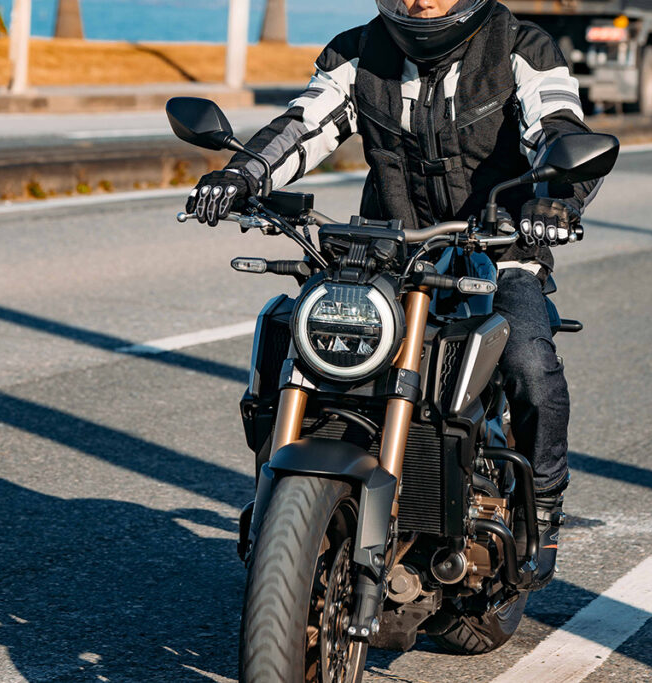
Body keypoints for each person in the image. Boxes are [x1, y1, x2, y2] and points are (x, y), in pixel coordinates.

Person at [186, 0, 602, 588]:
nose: (420, 0)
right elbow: (306, 124)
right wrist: (242, 173)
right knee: (290, 330)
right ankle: (288, 503)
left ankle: (545, 504)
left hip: (499, 250)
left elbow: (559, 128)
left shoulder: (520, 46)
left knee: (529, 363)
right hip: (390, 252)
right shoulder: (359, 51)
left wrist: (555, 201)